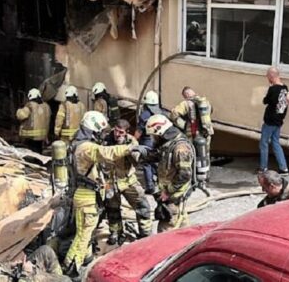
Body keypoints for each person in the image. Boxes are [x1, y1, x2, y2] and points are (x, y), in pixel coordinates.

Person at [62, 111, 144, 277]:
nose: (100, 135)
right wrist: (131, 148)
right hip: (87, 197)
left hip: (83, 194)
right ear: (93, 130)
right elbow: (106, 153)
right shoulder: (86, 147)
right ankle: (70, 269)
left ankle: (86, 259)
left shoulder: (76, 143)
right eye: (99, 132)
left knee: (86, 231)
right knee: (83, 236)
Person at [102, 119, 153, 244]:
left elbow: (136, 160)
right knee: (112, 209)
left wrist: (128, 149)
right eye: (116, 131)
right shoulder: (105, 140)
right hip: (110, 181)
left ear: (126, 133)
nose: (117, 134)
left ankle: (145, 234)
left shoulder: (131, 141)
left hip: (128, 180)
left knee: (143, 205)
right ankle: (115, 233)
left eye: (121, 132)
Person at [144, 114, 195, 233]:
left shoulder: (180, 148)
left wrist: (168, 192)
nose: (153, 138)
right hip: (172, 195)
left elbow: (185, 174)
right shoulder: (169, 143)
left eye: (154, 135)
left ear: (160, 131)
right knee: (182, 225)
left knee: (165, 230)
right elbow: (162, 156)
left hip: (174, 196)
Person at [0, 245, 69, 282]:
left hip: (17, 273)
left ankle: (56, 277)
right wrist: (26, 273)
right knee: (66, 281)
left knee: (45, 251)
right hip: (24, 278)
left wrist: (12, 265)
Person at [258, 67, 289, 174]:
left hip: (270, 120)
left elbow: (265, 101)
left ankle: (263, 167)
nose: (267, 79)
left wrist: (269, 90)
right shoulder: (285, 88)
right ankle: (283, 167)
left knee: (264, 143)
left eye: (268, 77)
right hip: (279, 120)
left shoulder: (273, 89)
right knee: (276, 142)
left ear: (271, 76)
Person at [135, 90, 165, 194]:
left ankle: (150, 186)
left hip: (147, 140)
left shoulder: (144, 115)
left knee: (147, 163)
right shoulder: (161, 112)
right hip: (158, 140)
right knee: (156, 162)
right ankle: (161, 182)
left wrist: (133, 141)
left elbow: (139, 130)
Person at [16, 88, 51, 153]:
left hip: (31, 135)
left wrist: (19, 110)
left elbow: (21, 116)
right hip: (42, 135)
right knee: (39, 150)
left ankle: (32, 161)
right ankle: (39, 162)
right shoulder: (46, 106)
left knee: (32, 151)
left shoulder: (30, 105)